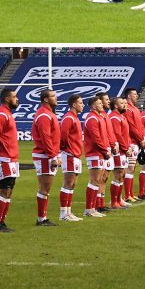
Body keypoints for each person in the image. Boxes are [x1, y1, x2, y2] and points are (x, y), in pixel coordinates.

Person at [0, 88, 20, 232]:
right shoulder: (1, 114)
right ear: (7, 99)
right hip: (4, 157)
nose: (17, 99)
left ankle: (2, 222)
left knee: (9, 190)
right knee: (4, 189)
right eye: (14, 96)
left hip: (10, 157)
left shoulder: (7, 114)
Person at [31, 89, 61, 226]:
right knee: (45, 187)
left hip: (47, 155)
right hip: (44, 156)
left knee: (46, 188)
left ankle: (42, 218)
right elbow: (46, 137)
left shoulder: (48, 113)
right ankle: (41, 219)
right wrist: (53, 155)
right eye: (53, 96)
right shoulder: (44, 115)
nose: (56, 97)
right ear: (46, 99)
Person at [83, 96, 110, 217]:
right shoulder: (92, 118)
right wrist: (105, 150)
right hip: (95, 153)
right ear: (93, 106)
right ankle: (89, 209)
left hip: (100, 153)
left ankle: (92, 208)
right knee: (94, 180)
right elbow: (96, 137)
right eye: (99, 103)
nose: (102, 105)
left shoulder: (99, 117)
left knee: (97, 181)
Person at [59, 94, 84, 221]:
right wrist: (66, 150)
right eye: (80, 102)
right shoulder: (68, 118)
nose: (83, 105)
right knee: (68, 183)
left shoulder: (75, 118)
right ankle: (63, 213)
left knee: (72, 184)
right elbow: (63, 136)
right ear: (74, 105)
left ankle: (68, 212)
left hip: (76, 154)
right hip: (70, 155)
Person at [122, 88, 145, 202]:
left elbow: (140, 126)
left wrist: (144, 137)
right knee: (129, 168)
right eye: (135, 94)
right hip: (131, 142)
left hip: (137, 142)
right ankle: (127, 195)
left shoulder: (135, 109)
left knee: (132, 168)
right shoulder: (128, 110)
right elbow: (131, 127)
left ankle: (130, 194)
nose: (137, 96)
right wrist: (141, 138)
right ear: (129, 96)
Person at [108, 97, 131, 207]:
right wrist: (126, 148)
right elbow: (118, 135)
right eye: (122, 103)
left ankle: (119, 199)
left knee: (122, 175)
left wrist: (128, 146)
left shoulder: (121, 117)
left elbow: (126, 134)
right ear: (116, 106)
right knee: (118, 174)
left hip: (124, 150)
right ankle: (114, 202)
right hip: (119, 151)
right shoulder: (114, 118)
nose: (125, 104)